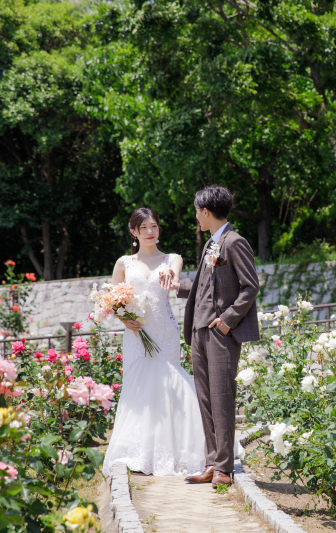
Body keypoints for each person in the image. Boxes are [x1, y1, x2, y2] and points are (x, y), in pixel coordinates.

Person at [162, 185, 259, 486]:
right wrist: (177, 287)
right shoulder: (210, 244)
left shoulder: (234, 242)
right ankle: (211, 462)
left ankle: (224, 468)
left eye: (196, 212)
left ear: (206, 211)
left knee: (222, 398)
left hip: (220, 334)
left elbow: (250, 286)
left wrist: (228, 321)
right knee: (205, 399)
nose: (196, 217)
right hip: (198, 331)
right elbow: (204, 287)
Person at [102, 207, 207, 477]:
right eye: (144, 228)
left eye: (154, 226)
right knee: (139, 387)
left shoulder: (173, 259)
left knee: (171, 383)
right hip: (136, 334)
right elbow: (111, 300)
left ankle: (177, 450)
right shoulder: (124, 263)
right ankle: (140, 451)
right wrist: (124, 319)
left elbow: (175, 276)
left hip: (164, 331)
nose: (150, 232)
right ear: (134, 232)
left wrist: (171, 277)